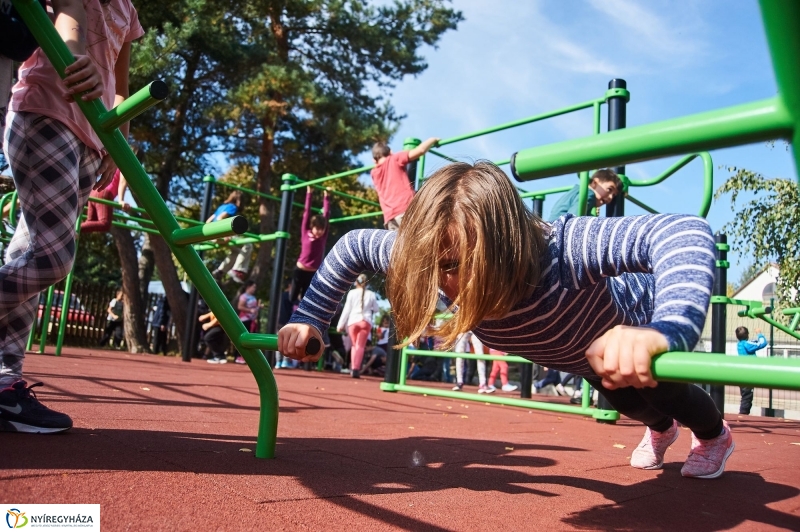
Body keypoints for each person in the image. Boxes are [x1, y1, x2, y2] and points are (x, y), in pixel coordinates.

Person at [280, 161, 734, 480]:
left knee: (666, 390)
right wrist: (311, 318)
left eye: (456, 266)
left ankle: (714, 437)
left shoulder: (564, 250)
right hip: (581, 357)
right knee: (625, 403)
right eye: (435, 267)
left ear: (505, 246)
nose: (444, 284)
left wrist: (665, 328)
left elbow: (683, 230)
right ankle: (659, 431)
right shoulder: (432, 254)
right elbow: (354, 245)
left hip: (628, 324)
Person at [0, 0, 144, 434]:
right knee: (51, 258)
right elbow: (68, 17)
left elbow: (121, 87)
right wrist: (72, 52)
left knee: (27, 255)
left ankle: (5, 384)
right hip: (46, 110)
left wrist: (118, 140)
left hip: (91, 140)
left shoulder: (129, 10)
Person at [370, 137, 439, 230]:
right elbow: (420, 150)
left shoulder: (374, 172)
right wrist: (433, 139)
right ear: (390, 152)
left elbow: (377, 163)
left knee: (398, 244)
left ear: (374, 159)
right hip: (405, 209)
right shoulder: (394, 158)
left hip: (390, 218)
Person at [290, 186, 331, 303]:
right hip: (300, 269)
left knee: (305, 300)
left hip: (312, 273)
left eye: (321, 229)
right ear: (312, 228)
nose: (319, 231)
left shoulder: (323, 237)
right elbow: (306, 212)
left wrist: (326, 196)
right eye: (317, 229)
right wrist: (309, 193)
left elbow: (326, 214)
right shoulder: (305, 232)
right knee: (292, 298)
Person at [336, 273, 379, 378]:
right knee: (360, 346)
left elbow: (346, 310)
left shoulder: (351, 293)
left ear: (356, 282)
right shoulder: (371, 294)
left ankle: (353, 368)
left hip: (353, 322)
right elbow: (377, 309)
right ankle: (356, 368)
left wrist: (340, 324)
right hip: (365, 321)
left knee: (354, 345)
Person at [209, 191, 251, 283]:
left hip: (212, 236)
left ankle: (220, 271)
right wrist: (226, 234)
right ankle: (237, 270)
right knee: (248, 244)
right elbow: (220, 218)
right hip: (220, 235)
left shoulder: (221, 207)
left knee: (237, 252)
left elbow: (208, 221)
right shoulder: (233, 207)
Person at [548, 169, 622, 219]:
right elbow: (573, 218)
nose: (610, 197)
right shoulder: (589, 194)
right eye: (609, 189)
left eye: (614, 195)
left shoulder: (576, 191)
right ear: (594, 183)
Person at [81, 166, 130, 233]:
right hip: (104, 193)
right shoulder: (126, 165)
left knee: (90, 222)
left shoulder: (115, 163)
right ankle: (73, 229)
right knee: (105, 223)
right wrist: (121, 200)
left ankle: (73, 232)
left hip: (94, 192)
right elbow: (122, 183)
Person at [736, 326, 767, 415]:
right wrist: (759, 333)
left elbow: (753, 343)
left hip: (742, 374)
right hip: (747, 375)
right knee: (747, 397)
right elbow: (763, 343)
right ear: (747, 335)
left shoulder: (740, 344)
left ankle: (743, 414)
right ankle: (743, 415)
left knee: (745, 396)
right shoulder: (747, 345)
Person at [234, 280, 260, 364]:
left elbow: (255, 308)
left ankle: (248, 357)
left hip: (252, 320)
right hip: (244, 319)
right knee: (244, 338)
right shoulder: (244, 296)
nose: (255, 289)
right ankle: (239, 356)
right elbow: (240, 306)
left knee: (252, 338)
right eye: (254, 287)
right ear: (248, 287)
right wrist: (250, 310)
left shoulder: (253, 297)